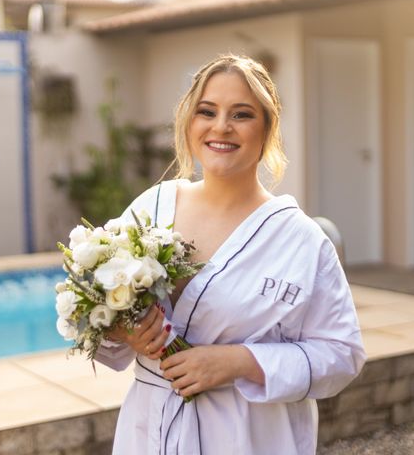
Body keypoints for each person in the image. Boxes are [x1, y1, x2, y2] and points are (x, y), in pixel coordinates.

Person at [94, 54, 366, 454]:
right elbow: (97, 309)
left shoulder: (300, 240)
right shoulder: (152, 206)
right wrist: (124, 331)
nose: (221, 127)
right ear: (189, 121)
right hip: (149, 430)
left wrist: (239, 362)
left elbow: (342, 355)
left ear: (267, 129)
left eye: (241, 114)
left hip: (249, 436)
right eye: (208, 111)